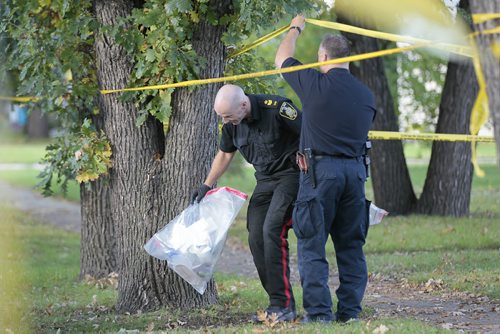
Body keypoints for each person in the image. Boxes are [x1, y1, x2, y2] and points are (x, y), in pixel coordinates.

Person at [275, 15, 376, 323]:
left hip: (320, 174)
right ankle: (350, 313)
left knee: (311, 244)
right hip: (355, 175)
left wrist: (296, 28)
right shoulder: (367, 96)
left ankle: (319, 314)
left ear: (323, 57)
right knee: (350, 247)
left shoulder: (314, 83)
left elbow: (281, 59)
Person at [191, 84, 302, 322]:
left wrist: (309, 160)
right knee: (255, 235)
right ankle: (278, 302)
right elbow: (225, 154)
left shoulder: (277, 108)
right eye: (222, 116)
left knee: (272, 229)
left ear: (243, 105)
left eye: (228, 115)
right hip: (264, 180)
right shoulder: (232, 123)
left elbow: (309, 134)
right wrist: (207, 184)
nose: (226, 120)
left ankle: (283, 306)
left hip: (291, 176)